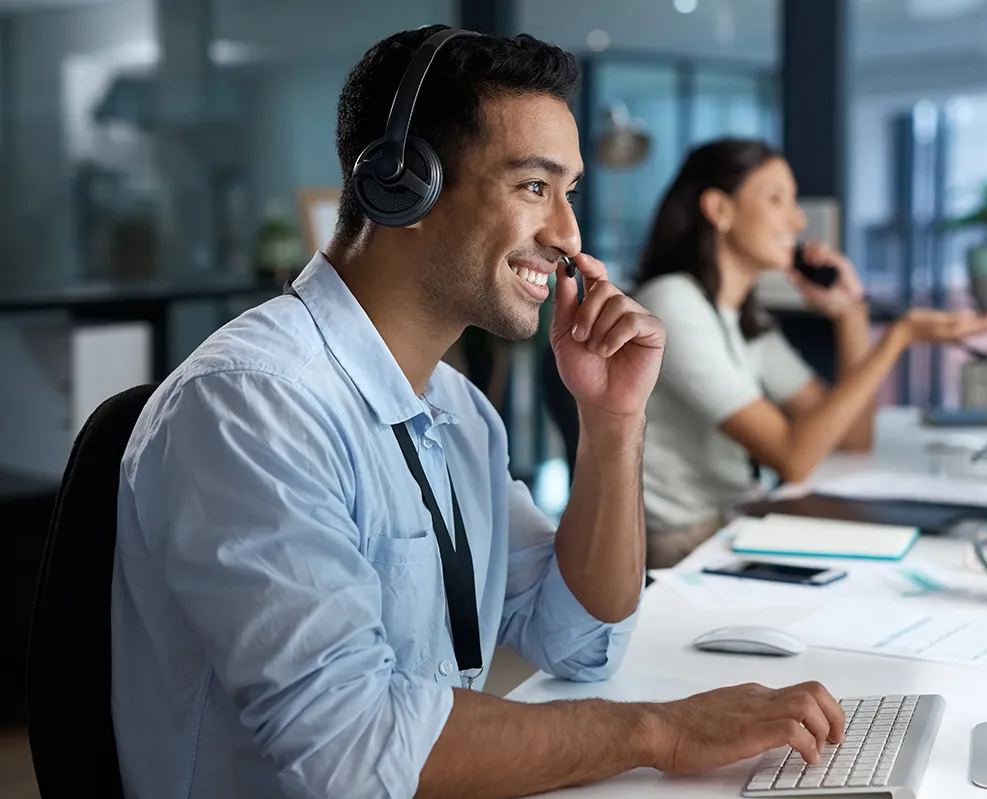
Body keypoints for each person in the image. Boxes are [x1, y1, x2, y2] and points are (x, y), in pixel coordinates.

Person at [110, 29, 845, 799]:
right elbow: (355, 750)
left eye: (571, 194)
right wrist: (658, 732)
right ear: (403, 186)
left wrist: (612, 424)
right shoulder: (252, 405)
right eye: (534, 187)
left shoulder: (457, 412)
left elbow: (579, 639)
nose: (568, 236)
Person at [635, 138, 987, 568]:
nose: (796, 221)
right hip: (686, 542)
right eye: (777, 199)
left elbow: (852, 437)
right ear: (720, 210)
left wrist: (850, 315)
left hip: (734, 522)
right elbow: (794, 457)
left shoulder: (741, 315)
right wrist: (897, 337)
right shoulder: (673, 304)